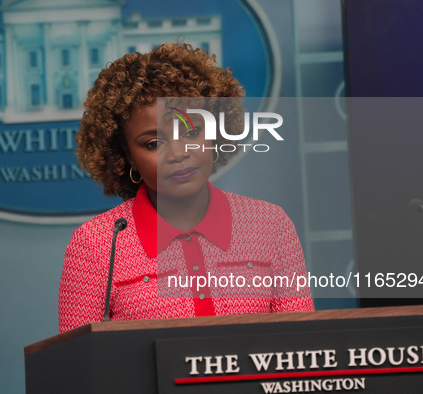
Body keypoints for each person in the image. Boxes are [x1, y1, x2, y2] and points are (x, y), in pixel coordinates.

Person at [58, 43, 313, 333]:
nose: (178, 153)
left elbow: (300, 354)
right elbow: (79, 369)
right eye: (154, 144)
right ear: (127, 155)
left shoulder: (270, 226)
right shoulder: (96, 246)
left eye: (191, 131)